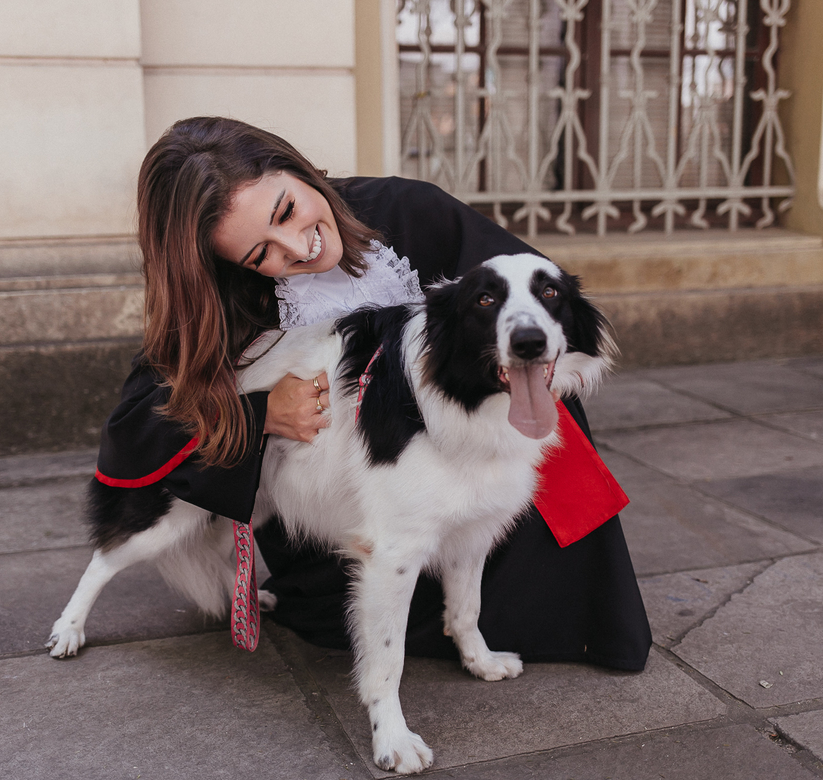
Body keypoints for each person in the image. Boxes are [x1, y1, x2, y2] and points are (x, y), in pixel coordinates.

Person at [94, 116, 652, 671]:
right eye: (259, 254)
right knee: (361, 605)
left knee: (547, 605)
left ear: (296, 168)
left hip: (484, 457)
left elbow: (545, 312)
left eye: (286, 211)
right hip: (342, 505)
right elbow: (142, 425)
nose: (297, 246)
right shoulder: (223, 300)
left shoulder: (412, 212)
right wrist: (259, 411)